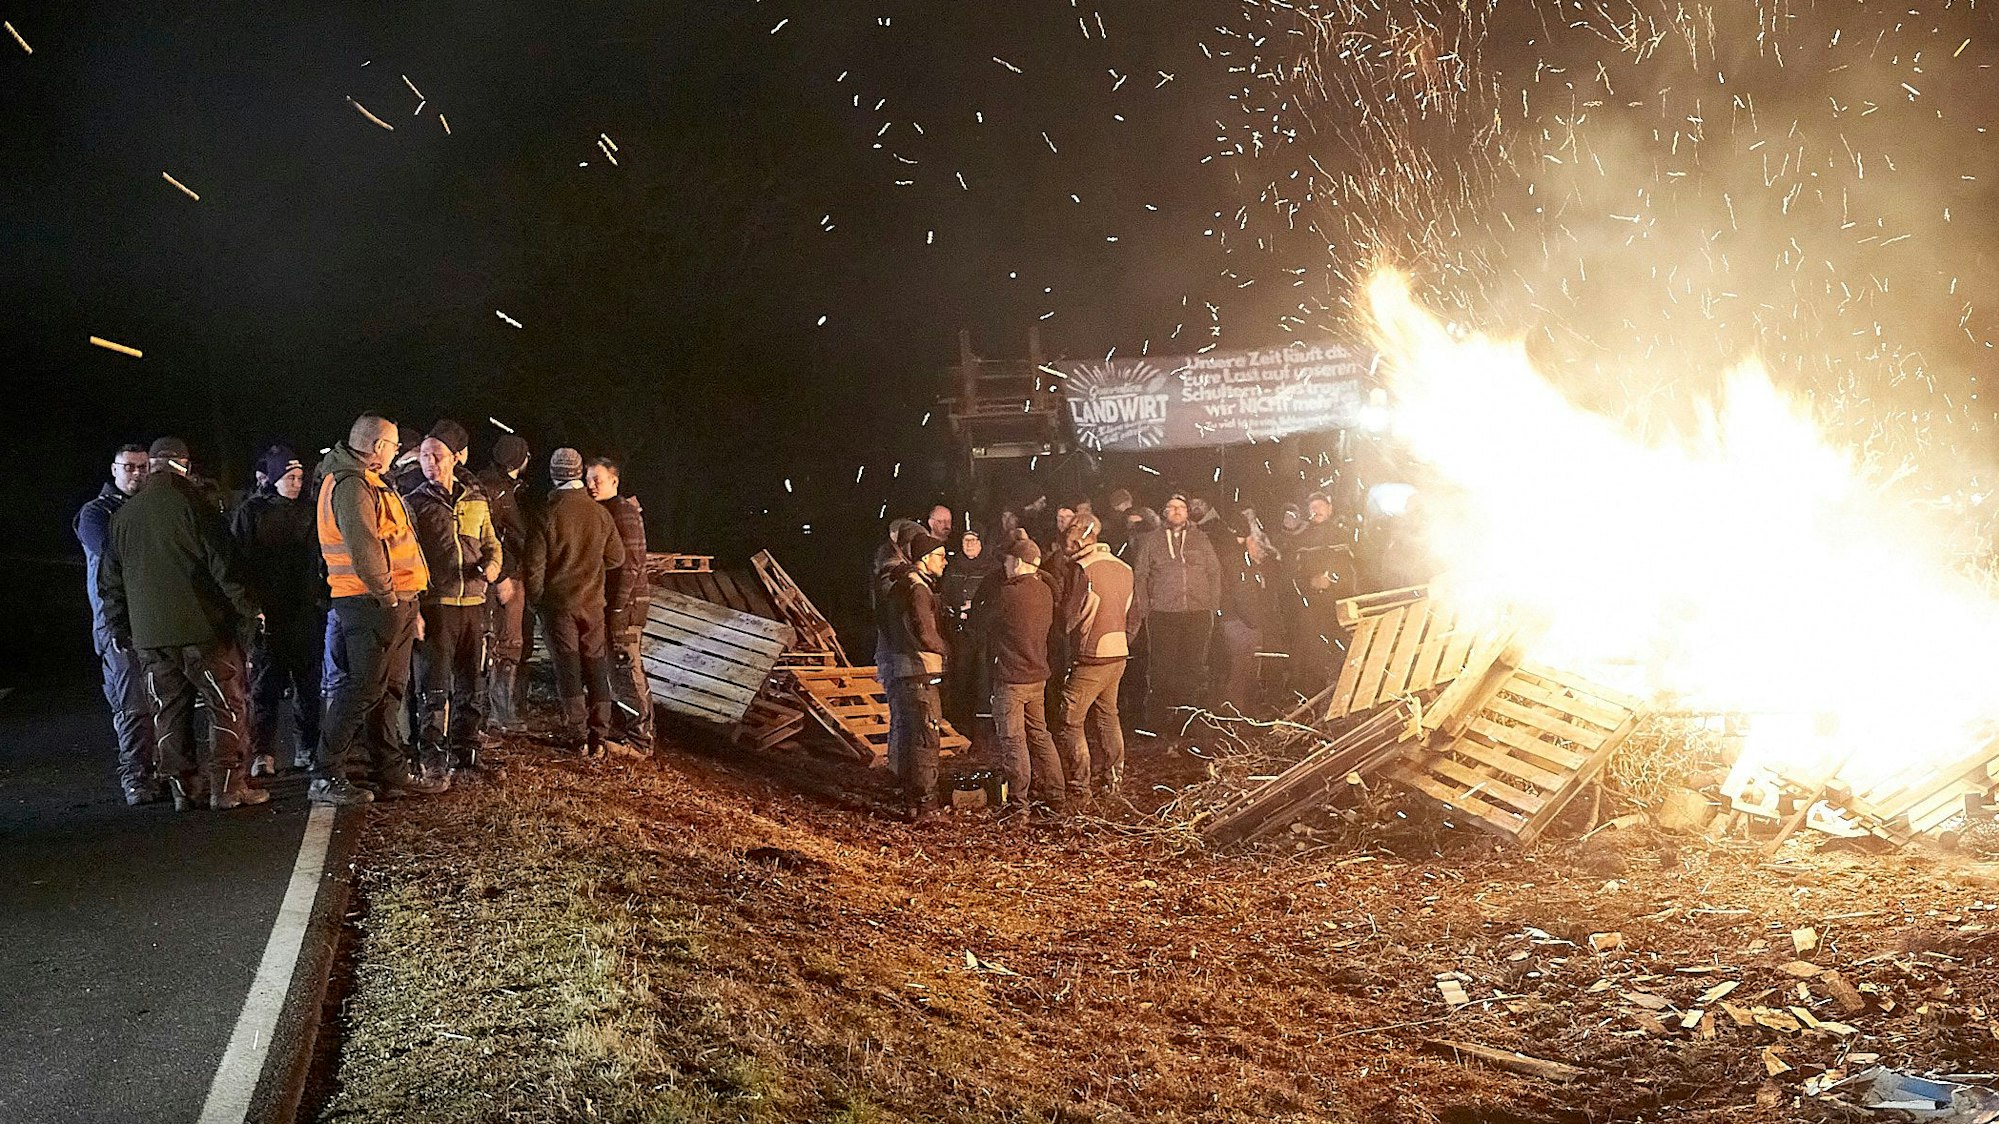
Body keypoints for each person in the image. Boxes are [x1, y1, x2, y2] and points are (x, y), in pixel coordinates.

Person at [98, 437, 268, 812]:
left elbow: (110, 583)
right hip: (204, 632)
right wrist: (250, 611)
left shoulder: (124, 516)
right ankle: (227, 787)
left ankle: (183, 791)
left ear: (153, 466)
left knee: (169, 713)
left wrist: (121, 629)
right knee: (227, 706)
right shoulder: (196, 507)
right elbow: (224, 568)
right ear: (185, 466)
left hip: (150, 638)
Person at [312, 414, 449, 806]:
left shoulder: (367, 481)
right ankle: (326, 773)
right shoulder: (351, 485)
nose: (394, 454)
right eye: (391, 446)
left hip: (393, 601)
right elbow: (365, 549)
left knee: (390, 689)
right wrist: (389, 597)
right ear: (376, 447)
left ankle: (390, 771)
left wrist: (406, 601)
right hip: (370, 602)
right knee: (365, 688)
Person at [405, 436, 502, 774]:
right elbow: (408, 557)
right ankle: (431, 755)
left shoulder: (476, 499)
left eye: (438, 455)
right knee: (433, 685)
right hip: (436, 604)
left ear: (456, 457)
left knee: (472, 683)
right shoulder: (414, 503)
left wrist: (492, 566)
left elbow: (492, 543)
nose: (431, 462)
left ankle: (467, 751)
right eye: (425, 456)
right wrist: (414, 608)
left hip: (474, 603)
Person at [524, 447, 625, 755]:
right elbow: (617, 557)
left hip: (558, 605)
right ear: (580, 474)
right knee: (595, 664)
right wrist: (591, 570)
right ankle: (599, 736)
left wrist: (537, 600)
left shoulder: (546, 513)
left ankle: (577, 735)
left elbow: (533, 568)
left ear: (553, 476)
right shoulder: (600, 514)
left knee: (568, 666)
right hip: (593, 604)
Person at [231, 446, 325, 776]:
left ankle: (307, 748)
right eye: (289, 477)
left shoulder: (311, 511)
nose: (296, 484)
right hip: (268, 615)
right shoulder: (252, 512)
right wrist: (249, 607)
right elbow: (238, 561)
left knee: (308, 688)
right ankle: (263, 753)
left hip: (305, 613)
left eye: (300, 477)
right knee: (264, 688)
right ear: (273, 478)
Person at [75, 444, 160, 804]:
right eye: (129, 467)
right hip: (117, 624)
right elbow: (117, 556)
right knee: (132, 704)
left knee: (160, 702)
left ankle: (160, 772)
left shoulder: (146, 509)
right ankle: (137, 777)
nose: (136, 474)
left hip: (152, 619)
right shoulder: (95, 514)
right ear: (114, 470)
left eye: (142, 468)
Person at [1057, 515, 1134, 800]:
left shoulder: (1083, 569)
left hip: (1092, 655)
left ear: (1080, 538)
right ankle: (1114, 780)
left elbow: (1069, 617)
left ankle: (1080, 786)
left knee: (1070, 720)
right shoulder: (1125, 568)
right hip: (1119, 652)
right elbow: (1134, 612)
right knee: (1107, 716)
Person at [1130, 494, 1222, 730]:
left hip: (1197, 612)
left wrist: (1211, 604)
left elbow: (1214, 572)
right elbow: (1140, 575)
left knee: (1192, 667)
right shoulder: (1151, 541)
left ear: (1188, 512)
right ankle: (1158, 721)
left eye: (1181, 507)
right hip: (1163, 613)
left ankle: (1187, 719)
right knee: (1162, 668)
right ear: (1164, 513)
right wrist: (1145, 606)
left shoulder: (1201, 539)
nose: (1177, 511)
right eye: (1171, 507)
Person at [983, 535, 1062, 809]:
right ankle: (1056, 794)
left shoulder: (1009, 594)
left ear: (1017, 562)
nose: (1005, 567)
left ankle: (1018, 803)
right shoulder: (1044, 591)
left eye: (1007, 561)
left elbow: (985, 625)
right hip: (1037, 675)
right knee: (1040, 735)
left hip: (1011, 678)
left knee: (1013, 741)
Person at [875, 531, 949, 819]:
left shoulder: (899, 584)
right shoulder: (918, 588)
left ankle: (910, 800)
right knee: (926, 736)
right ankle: (926, 804)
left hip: (904, 669)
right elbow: (925, 632)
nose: (944, 563)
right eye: (940, 557)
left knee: (908, 734)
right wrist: (946, 649)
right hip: (920, 668)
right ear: (925, 559)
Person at [585, 455, 654, 751]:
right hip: (611, 605)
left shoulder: (623, 513)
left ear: (614, 480)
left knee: (627, 668)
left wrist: (617, 607)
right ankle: (624, 731)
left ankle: (640, 740)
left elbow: (632, 565)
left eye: (596, 480)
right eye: (587, 479)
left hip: (625, 607)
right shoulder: (602, 511)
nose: (591, 485)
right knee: (614, 669)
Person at [478, 433, 533, 730]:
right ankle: (500, 713)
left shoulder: (490, 484)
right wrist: (503, 575)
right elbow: (508, 536)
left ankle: (495, 711)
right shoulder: (499, 492)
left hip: (495, 574)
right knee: (508, 643)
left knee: (495, 641)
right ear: (519, 460)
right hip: (504, 576)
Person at [938, 529, 996, 736]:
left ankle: (983, 717)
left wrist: (977, 607)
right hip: (959, 630)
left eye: (974, 540)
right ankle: (960, 717)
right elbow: (944, 594)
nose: (969, 544)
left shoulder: (991, 568)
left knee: (982, 672)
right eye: (966, 540)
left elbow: (996, 597)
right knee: (961, 671)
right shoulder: (953, 568)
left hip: (983, 631)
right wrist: (954, 609)